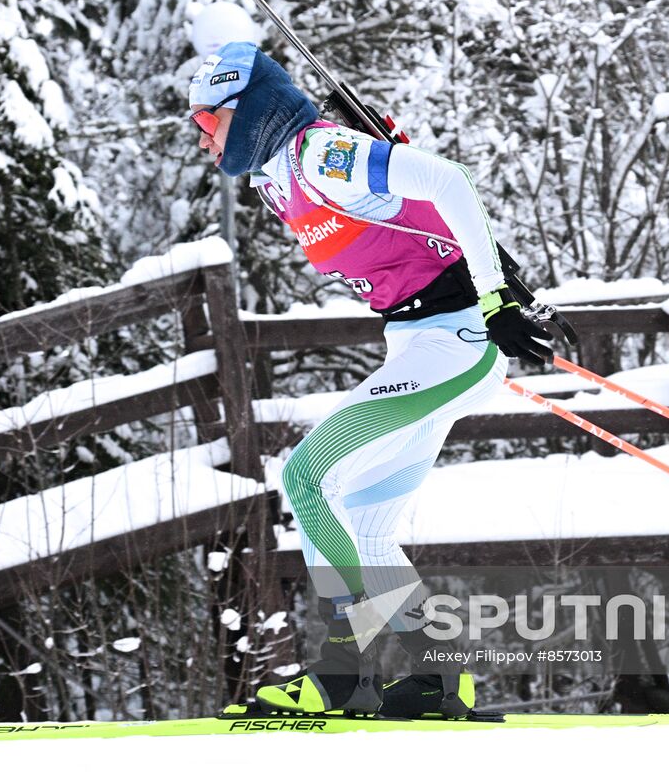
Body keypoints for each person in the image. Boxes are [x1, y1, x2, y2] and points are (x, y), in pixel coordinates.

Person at [187, 41, 553, 717]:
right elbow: (406, 227)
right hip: (417, 344)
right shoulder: (276, 175)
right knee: (364, 517)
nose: (203, 140)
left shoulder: (318, 155)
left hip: (456, 338)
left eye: (209, 124)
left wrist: (497, 298)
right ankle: (439, 678)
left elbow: (449, 182)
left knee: (305, 477)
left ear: (249, 110)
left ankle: (340, 675)